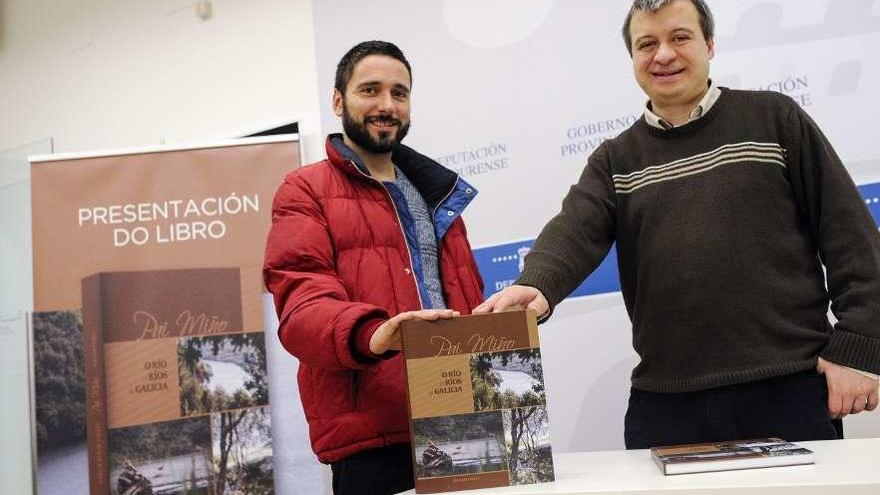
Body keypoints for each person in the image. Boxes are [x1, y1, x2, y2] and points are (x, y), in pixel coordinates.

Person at [476, 0, 880, 449]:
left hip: (789, 389)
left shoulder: (775, 118)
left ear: (709, 43)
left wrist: (858, 348)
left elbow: (853, 240)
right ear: (633, 59)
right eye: (646, 44)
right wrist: (537, 285)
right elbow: (574, 229)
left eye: (679, 37)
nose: (663, 54)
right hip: (665, 405)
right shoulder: (615, 159)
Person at [263, 40, 484, 494]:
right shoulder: (304, 190)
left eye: (399, 94)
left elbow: (467, 304)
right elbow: (301, 308)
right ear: (338, 100)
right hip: (375, 439)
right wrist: (373, 334)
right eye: (371, 90)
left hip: (463, 424)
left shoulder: (438, 195)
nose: (386, 105)